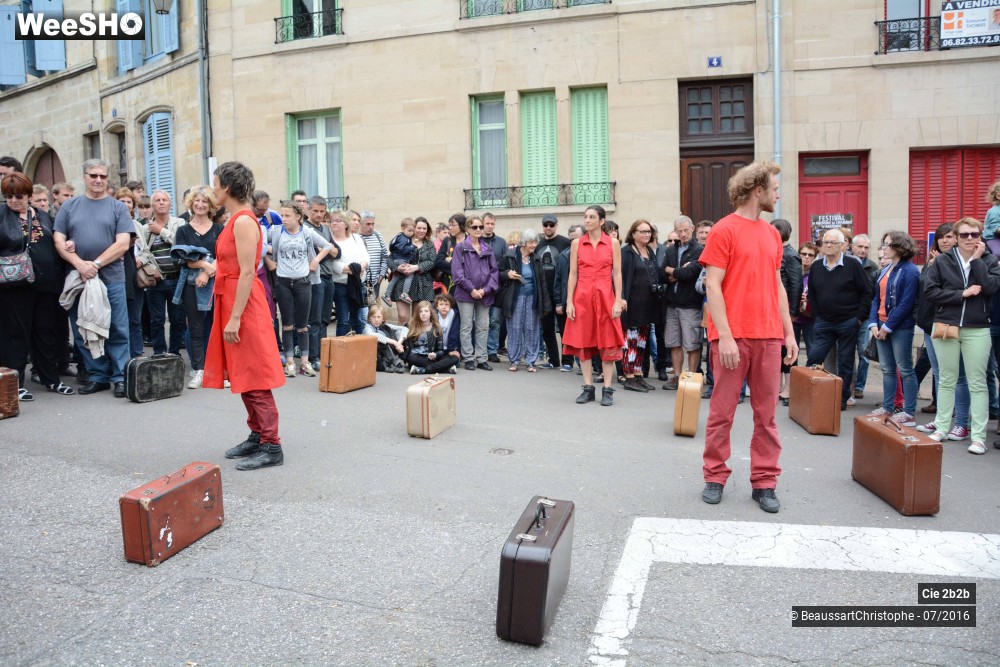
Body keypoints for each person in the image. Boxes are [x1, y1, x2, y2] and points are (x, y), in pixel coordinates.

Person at [699, 161, 797, 514]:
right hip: (733, 336)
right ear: (758, 190)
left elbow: (777, 285)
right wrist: (724, 336)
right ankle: (714, 476)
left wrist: (788, 331)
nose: (777, 193)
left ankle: (765, 482)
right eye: (774, 187)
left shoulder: (772, 234)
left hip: (769, 336)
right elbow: (713, 284)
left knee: (767, 416)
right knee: (722, 412)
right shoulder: (724, 230)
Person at [205, 161, 286, 471]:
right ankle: (258, 435)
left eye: (215, 183)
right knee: (243, 373)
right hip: (234, 302)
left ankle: (272, 445)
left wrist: (236, 317)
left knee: (254, 376)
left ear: (226, 187)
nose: (212, 189)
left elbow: (248, 273)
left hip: (244, 307)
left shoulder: (242, 222)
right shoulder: (237, 219)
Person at [53, 159, 134, 397]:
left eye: (102, 176)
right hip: (79, 279)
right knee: (83, 328)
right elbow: (58, 239)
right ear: (84, 177)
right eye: (93, 175)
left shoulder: (118, 207)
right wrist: (79, 265)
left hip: (112, 277)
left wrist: (95, 264)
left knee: (118, 328)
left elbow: (123, 243)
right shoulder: (70, 206)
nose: (98, 180)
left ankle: (120, 377)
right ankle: (97, 375)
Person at [924, 218, 1000, 455]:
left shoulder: (989, 260)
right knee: (946, 379)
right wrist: (961, 294)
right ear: (956, 237)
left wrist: (977, 262)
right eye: (964, 234)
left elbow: (991, 288)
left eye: (975, 235)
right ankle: (942, 427)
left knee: (977, 383)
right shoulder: (943, 261)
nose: (970, 239)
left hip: (977, 328)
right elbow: (930, 291)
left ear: (981, 237)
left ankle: (978, 437)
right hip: (946, 326)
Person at [0, 173, 73, 400]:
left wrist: (67, 244)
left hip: (46, 283)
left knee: (45, 332)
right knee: (16, 335)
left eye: (19, 196)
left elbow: (54, 243)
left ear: (29, 196)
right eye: (8, 196)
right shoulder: (1, 216)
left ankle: (51, 379)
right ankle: (16, 382)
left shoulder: (43, 216)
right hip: (14, 286)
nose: (13, 200)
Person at [562, 205, 625, 407]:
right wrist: (569, 301)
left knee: (607, 343)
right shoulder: (576, 244)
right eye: (586, 217)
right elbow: (572, 274)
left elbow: (617, 273)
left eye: (592, 217)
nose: (587, 220)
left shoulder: (613, 243)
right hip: (582, 298)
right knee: (583, 343)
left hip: (606, 297)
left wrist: (618, 300)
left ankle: (607, 389)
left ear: (602, 221)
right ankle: (588, 388)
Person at [803, 228, 872, 410]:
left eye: (832, 243)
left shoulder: (852, 265)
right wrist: (818, 317)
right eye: (825, 242)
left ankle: (842, 399)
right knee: (814, 357)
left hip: (848, 321)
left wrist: (858, 319)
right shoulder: (817, 267)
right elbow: (813, 294)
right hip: (824, 322)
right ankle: (811, 394)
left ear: (842, 246)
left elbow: (866, 292)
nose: (827, 246)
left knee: (845, 360)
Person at [914, 223, 970, 441]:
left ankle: (962, 423)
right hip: (931, 326)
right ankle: (942, 419)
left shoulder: (961, 263)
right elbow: (924, 292)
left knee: (961, 377)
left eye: (949, 237)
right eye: (941, 237)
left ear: (956, 239)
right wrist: (919, 317)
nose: (945, 241)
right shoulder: (932, 263)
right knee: (941, 375)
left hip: (954, 325)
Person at [269, 200, 337, 377]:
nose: (283, 219)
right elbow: (259, 243)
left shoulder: (306, 232)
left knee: (303, 325)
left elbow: (328, 246)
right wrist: (270, 260)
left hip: (303, 282)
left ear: (298, 217)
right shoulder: (276, 232)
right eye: (282, 215)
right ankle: (290, 362)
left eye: (287, 216)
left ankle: (305, 363)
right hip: (283, 282)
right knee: (287, 323)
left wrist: (315, 260)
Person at [867, 231, 921, 425]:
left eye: (888, 244)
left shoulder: (911, 271)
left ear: (900, 247)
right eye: (884, 244)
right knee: (887, 369)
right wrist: (873, 323)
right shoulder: (885, 269)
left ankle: (908, 412)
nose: (884, 248)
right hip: (880, 325)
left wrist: (888, 327)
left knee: (905, 369)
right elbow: (876, 298)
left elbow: (907, 303)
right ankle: (888, 407)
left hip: (900, 328)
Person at [172, 186, 224, 388]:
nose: (200, 205)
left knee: (214, 327)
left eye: (204, 201)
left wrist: (207, 271)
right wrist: (203, 265)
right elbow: (183, 260)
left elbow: (224, 256)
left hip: (216, 282)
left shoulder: (219, 229)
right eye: (197, 201)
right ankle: (199, 369)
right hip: (191, 285)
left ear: (211, 205)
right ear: (191, 204)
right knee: (196, 328)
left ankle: (216, 369)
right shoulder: (183, 230)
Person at [660, 215, 704, 389]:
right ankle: (677, 377)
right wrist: (676, 272)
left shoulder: (699, 249)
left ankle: (691, 378)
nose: (683, 234)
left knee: (692, 343)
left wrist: (673, 271)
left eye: (686, 230)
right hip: (671, 304)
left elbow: (690, 273)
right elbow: (662, 273)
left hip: (690, 305)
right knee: (674, 342)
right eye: (680, 231)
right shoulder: (670, 250)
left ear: (692, 229)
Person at [499, 229, 551, 372]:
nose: (534, 245)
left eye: (535, 242)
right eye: (531, 242)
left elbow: (542, 283)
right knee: (514, 328)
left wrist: (545, 304)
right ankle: (514, 360)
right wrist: (507, 274)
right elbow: (497, 274)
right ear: (523, 243)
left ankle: (530, 361)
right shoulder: (510, 257)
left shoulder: (536, 259)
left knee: (531, 329)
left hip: (532, 298)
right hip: (515, 298)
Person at [451, 215, 498, 371]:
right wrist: (471, 289)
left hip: (485, 294)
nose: (478, 230)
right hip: (465, 293)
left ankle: (482, 358)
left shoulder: (487, 248)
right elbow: (457, 273)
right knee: (466, 326)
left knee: (483, 326)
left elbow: (494, 272)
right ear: (468, 229)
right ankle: (469, 358)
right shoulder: (460, 248)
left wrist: (484, 290)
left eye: (480, 227)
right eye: (475, 227)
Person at [143, 190, 187, 356]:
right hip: (156, 281)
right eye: (158, 200)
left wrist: (161, 231)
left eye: (164, 200)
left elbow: (182, 245)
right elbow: (142, 252)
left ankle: (174, 354)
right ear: (152, 205)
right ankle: (159, 354)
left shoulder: (179, 223)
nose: (161, 203)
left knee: (177, 320)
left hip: (177, 279)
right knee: (157, 321)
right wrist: (151, 268)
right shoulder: (145, 228)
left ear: (170, 204)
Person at [620, 219, 660, 393]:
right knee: (631, 340)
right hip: (632, 304)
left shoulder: (650, 251)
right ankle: (628, 376)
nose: (646, 234)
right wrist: (621, 299)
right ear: (633, 233)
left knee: (642, 341)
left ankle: (638, 374)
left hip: (648, 304)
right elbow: (620, 278)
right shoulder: (627, 252)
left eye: (648, 231)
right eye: (642, 231)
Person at [304, 197, 337, 371]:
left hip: (329, 276)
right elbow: (319, 251)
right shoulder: (305, 228)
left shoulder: (325, 228)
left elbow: (336, 251)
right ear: (308, 210)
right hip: (314, 278)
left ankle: (324, 354)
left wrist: (326, 249)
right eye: (315, 211)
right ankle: (313, 356)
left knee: (325, 318)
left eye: (322, 211)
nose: (318, 214)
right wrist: (327, 249)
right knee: (314, 319)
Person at [772, 219, 802, 406]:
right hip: (775, 307)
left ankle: (789, 389)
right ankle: (780, 386)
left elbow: (796, 284)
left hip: (785, 307)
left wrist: (792, 312)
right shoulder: (778, 252)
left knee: (788, 350)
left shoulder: (790, 255)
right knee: (779, 349)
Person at [536, 214, 571, 370]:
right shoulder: (538, 243)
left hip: (560, 293)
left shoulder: (565, 242)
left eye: (551, 225)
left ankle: (568, 361)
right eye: (546, 225)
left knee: (565, 329)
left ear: (556, 225)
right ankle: (553, 360)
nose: (548, 228)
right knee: (547, 329)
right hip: (543, 293)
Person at [387, 217, 437, 325]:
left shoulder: (429, 244)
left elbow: (432, 261)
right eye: (419, 228)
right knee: (403, 317)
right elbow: (390, 258)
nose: (422, 230)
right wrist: (397, 268)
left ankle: (415, 341)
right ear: (414, 228)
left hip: (422, 284)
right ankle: (401, 341)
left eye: (424, 228)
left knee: (418, 318)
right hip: (403, 282)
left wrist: (416, 267)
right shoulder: (404, 240)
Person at [848, 234, 879, 404]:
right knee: (847, 353)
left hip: (864, 318)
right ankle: (849, 385)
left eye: (866, 248)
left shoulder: (872, 267)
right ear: (852, 247)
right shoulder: (845, 264)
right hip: (847, 315)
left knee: (863, 353)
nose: (863, 250)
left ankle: (859, 386)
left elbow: (873, 295)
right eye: (860, 247)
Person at [329, 209, 369, 335]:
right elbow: (333, 264)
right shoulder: (330, 241)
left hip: (357, 285)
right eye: (332, 221)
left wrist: (360, 268)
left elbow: (366, 257)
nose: (334, 223)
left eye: (338, 221)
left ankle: (359, 347)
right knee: (343, 320)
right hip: (340, 285)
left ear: (345, 224)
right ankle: (340, 351)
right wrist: (353, 270)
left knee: (357, 319)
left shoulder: (356, 238)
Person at [553, 224, 585, 372]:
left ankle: (590, 365)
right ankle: (568, 361)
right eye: (571, 240)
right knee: (568, 333)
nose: (574, 243)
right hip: (569, 301)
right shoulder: (564, 255)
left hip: (586, 301)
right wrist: (559, 302)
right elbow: (558, 281)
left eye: (576, 239)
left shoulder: (590, 254)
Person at [401, 300, 459, 375]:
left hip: (431, 358)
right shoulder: (411, 327)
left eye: (426, 311)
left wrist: (435, 355)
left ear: (431, 313)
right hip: (416, 358)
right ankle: (445, 369)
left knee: (455, 358)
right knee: (412, 358)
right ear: (417, 314)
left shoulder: (436, 328)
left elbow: (440, 350)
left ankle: (423, 370)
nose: (423, 314)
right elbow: (407, 349)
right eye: (420, 311)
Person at [482, 212, 509, 363]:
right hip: (480, 287)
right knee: (478, 322)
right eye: (487, 223)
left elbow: (505, 264)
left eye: (492, 224)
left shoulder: (501, 242)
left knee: (494, 321)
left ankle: (492, 350)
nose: (490, 226)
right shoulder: (475, 241)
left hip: (497, 288)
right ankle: (478, 350)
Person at [358, 210, 389, 311]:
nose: (371, 227)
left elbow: (385, 256)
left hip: (373, 283)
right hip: (360, 282)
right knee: (360, 311)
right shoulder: (356, 237)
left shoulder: (378, 236)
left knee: (371, 311)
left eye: (373, 224)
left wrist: (382, 274)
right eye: (368, 224)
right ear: (360, 223)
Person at [363, 305, 408, 373]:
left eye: (378, 317)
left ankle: (388, 362)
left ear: (383, 319)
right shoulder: (367, 328)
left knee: (399, 332)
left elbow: (405, 329)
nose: (376, 320)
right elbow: (373, 335)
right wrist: (394, 342)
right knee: (380, 340)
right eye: (373, 317)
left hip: (386, 354)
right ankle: (396, 362)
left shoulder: (385, 326)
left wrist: (399, 343)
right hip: (374, 356)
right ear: (369, 318)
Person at [385, 218, 417, 304]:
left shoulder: (401, 237)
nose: (411, 233)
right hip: (401, 260)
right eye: (409, 230)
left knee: (396, 278)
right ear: (402, 228)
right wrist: (412, 247)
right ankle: (405, 294)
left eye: (412, 231)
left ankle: (387, 294)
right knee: (409, 275)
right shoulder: (403, 238)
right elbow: (403, 249)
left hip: (397, 260)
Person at [435, 213, 466, 290]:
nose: (450, 228)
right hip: (449, 283)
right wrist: (457, 268)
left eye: (453, 225)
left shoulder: (470, 241)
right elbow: (439, 261)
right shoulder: (447, 240)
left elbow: (470, 263)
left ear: (461, 225)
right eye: (449, 225)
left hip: (466, 283)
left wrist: (451, 260)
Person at [435, 292, 461, 369]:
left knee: (456, 359)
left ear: (450, 306)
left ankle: (443, 364)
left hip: (450, 348)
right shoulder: (434, 316)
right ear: (437, 306)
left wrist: (454, 349)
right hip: (437, 349)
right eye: (441, 304)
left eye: (447, 304)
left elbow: (455, 334)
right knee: (433, 358)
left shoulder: (454, 314)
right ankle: (445, 366)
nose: (444, 307)